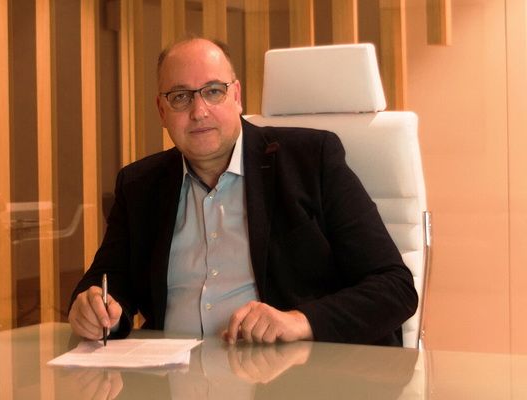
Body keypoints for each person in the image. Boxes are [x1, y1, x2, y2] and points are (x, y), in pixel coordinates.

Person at [68, 36, 418, 346]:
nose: (198, 111)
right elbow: (107, 283)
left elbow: (394, 287)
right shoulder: (140, 185)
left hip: (290, 376)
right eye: (180, 97)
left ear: (236, 96)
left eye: (213, 91)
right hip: (172, 377)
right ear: (162, 110)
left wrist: (299, 322)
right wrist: (93, 308)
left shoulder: (311, 160)